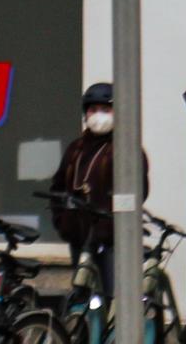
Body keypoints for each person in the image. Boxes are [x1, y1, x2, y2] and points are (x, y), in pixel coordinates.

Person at [50, 81, 148, 288]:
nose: (98, 115)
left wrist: (112, 221)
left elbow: (139, 191)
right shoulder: (75, 149)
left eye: (105, 110)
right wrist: (62, 221)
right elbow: (57, 187)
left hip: (111, 240)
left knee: (113, 292)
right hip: (79, 237)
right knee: (82, 291)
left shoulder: (126, 149)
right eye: (93, 109)